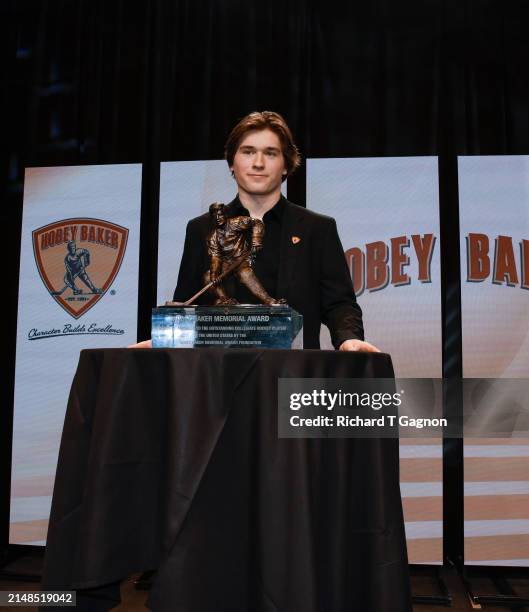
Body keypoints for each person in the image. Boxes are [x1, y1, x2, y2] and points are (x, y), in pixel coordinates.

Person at [174, 111, 379, 352]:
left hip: (294, 376)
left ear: (286, 164)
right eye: (248, 152)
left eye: (270, 153)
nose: (258, 163)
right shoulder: (201, 228)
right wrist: (163, 342)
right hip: (218, 377)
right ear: (231, 163)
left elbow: (339, 304)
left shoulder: (318, 229)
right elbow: (186, 304)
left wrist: (348, 338)